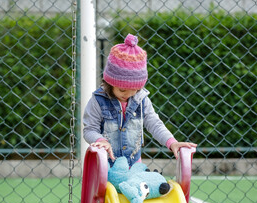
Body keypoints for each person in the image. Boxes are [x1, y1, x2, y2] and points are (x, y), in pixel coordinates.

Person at [83, 33, 197, 168]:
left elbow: (154, 123)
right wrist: (101, 141)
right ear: (109, 83)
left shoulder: (141, 100)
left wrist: (171, 142)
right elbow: (89, 130)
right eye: (122, 90)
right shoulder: (98, 101)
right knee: (108, 190)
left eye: (135, 90)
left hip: (134, 164)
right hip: (104, 166)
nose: (128, 95)